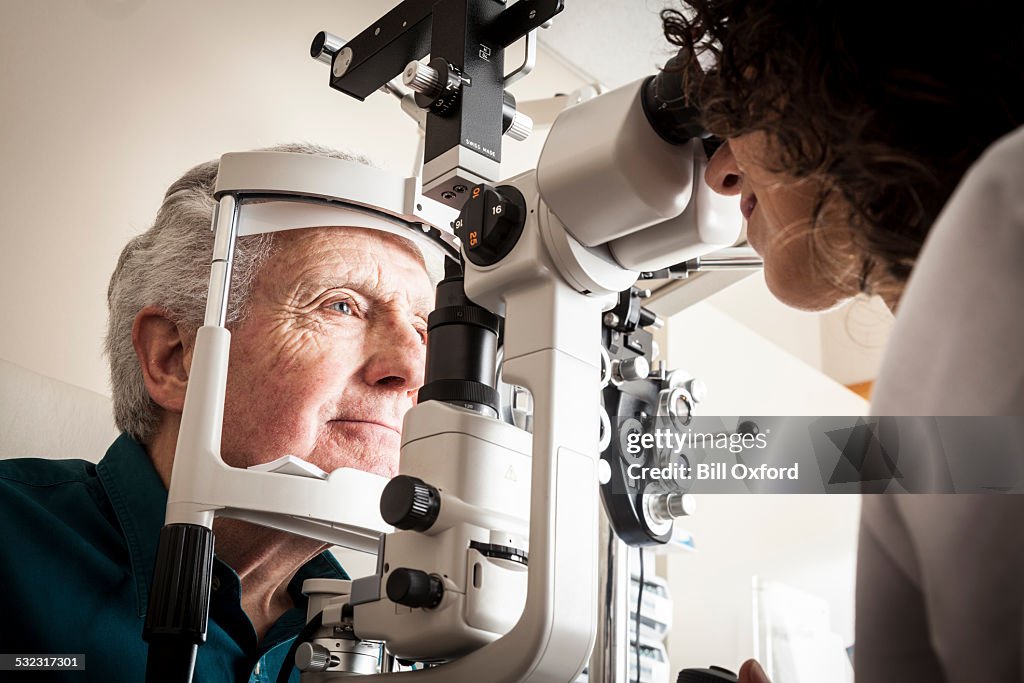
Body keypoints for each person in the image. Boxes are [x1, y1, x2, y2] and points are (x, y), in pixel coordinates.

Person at [659, 1, 1024, 682]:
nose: (720, 172)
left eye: (743, 107)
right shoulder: (930, 387)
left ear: (850, 71)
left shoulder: (1008, 216)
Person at [0, 143, 438, 682]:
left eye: (424, 329)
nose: (412, 368)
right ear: (174, 358)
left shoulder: (402, 640)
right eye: (341, 305)